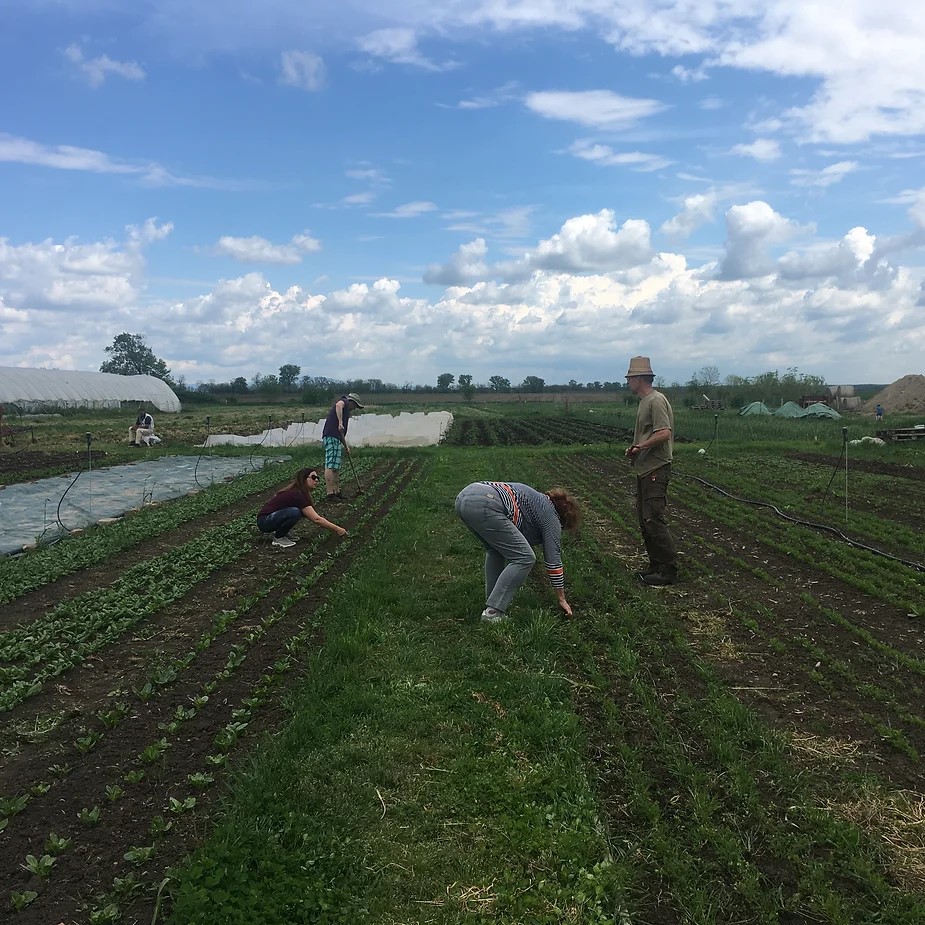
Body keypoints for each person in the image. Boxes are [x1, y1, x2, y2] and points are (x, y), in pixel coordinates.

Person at [455, 480, 580, 622]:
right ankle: (493, 612)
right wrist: (562, 598)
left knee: (495, 550)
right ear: (565, 518)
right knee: (525, 558)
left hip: (464, 496)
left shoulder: (537, 501)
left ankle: (492, 601)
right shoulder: (551, 516)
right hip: (486, 503)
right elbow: (553, 560)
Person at [624, 356, 679, 586]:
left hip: (656, 467)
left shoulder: (656, 401)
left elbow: (663, 433)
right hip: (645, 468)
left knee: (653, 519)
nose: (628, 382)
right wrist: (637, 451)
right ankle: (655, 566)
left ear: (639, 378)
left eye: (630, 378)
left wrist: (640, 446)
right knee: (645, 521)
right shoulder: (644, 401)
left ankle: (668, 570)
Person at [256, 467, 348, 548]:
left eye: (317, 478)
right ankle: (279, 538)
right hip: (264, 521)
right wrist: (337, 529)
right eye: (313, 477)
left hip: (270, 518)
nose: (316, 480)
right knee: (294, 512)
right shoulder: (297, 495)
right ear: (304, 479)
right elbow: (316, 519)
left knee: (295, 512)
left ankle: (282, 533)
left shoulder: (299, 493)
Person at [321, 392, 364, 502]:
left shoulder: (347, 411)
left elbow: (342, 433)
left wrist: (345, 446)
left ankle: (337, 492)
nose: (355, 408)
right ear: (352, 402)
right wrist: (340, 422)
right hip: (331, 436)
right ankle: (330, 494)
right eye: (355, 406)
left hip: (337, 438)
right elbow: (338, 405)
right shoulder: (344, 402)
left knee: (336, 466)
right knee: (331, 465)